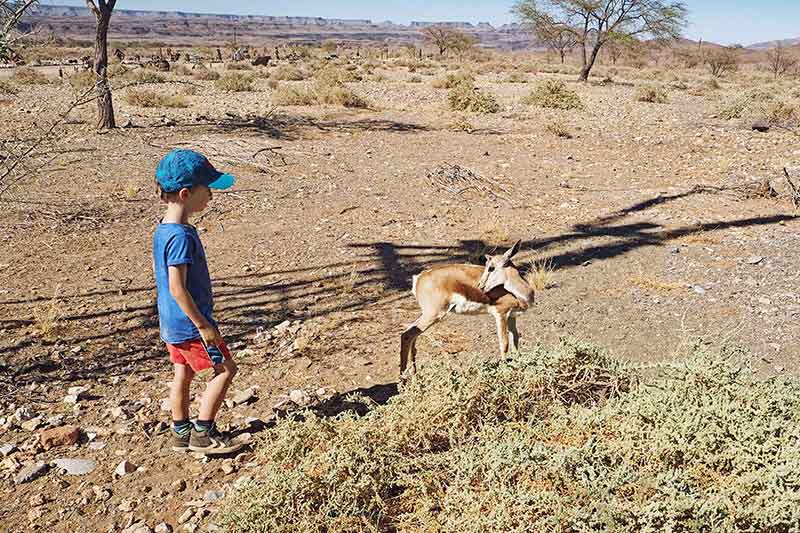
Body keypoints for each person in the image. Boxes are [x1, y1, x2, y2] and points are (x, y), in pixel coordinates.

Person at [152, 149, 243, 454]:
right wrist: (204, 325)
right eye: (207, 190)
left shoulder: (163, 231)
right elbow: (178, 288)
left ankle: (180, 432)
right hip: (191, 324)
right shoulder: (180, 236)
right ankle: (203, 434)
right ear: (185, 193)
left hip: (171, 323)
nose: (211, 198)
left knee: (183, 372)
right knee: (226, 369)